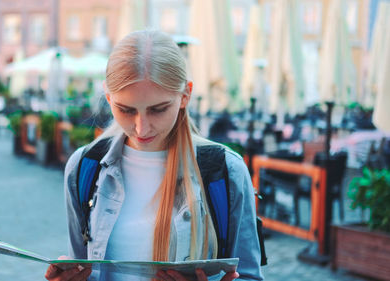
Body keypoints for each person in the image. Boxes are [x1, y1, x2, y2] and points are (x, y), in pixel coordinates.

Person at [45, 30, 263, 281]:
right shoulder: (84, 167)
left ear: (185, 95)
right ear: (108, 97)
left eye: (158, 109)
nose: (141, 127)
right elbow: (83, 267)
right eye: (125, 109)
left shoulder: (225, 170)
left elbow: (249, 275)